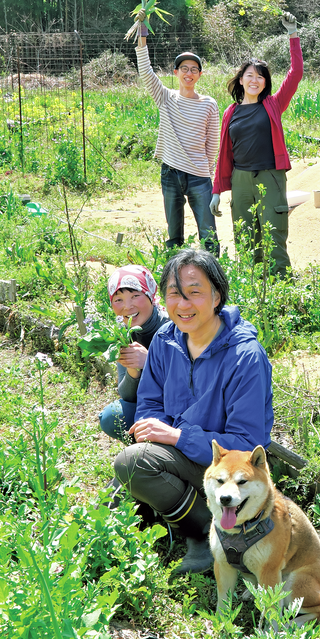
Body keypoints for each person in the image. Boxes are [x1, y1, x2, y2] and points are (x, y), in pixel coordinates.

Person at [112, 248, 274, 575]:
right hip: (181, 452)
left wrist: (178, 437)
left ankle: (205, 530)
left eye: (194, 293)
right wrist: (158, 432)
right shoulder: (166, 340)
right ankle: (182, 517)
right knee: (129, 471)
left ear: (216, 297)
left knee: (131, 463)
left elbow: (247, 443)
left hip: (227, 468)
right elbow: (149, 405)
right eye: (175, 294)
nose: (183, 305)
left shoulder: (245, 356)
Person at [210, 15, 302, 277]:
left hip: (270, 176)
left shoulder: (273, 104)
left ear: (265, 82)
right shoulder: (231, 112)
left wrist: (293, 34)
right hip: (240, 181)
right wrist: (217, 190)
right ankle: (253, 289)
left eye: (260, 77)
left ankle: (282, 292)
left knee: (274, 238)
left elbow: (295, 74)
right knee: (245, 240)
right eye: (249, 75)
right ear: (241, 80)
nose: (255, 80)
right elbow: (224, 153)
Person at [135, 29, 220, 253]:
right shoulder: (165, 97)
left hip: (199, 176)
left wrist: (205, 169)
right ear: (176, 72)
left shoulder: (209, 104)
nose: (188, 73)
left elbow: (212, 143)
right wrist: (142, 32)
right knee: (174, 235)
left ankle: (215, 279)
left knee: (208, 234)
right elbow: (145, 71)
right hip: (170, 173)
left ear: (200, 75)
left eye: (194, 69)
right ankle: (175, 278)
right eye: (184, 69)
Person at [98, 265, 166, 439]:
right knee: (112, 416)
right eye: (118, 299)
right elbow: (128, 396)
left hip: (179, 409)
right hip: (149, 407)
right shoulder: (122, 333)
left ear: (150, 296)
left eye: (135, 296)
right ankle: (145, 455)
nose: (127, 306)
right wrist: (133, 371)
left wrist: (149, 362)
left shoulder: (171, 327)